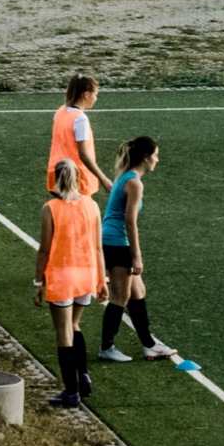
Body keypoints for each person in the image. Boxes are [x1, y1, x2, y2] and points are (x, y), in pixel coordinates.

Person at [94, 136, 182, 364]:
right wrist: (137, 256)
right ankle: (106, 347)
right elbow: (130, 221)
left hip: (111, 239)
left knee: (138, 292)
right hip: (117, 243)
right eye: (155, 155)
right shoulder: (134, 183)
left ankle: (149, 345)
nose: (157, 160)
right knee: (119, 297)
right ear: (145, 157)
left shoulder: (126, 176)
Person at [32, 157, 105, 408]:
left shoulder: (50, 208)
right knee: (75, 325)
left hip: (62, 276)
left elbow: (45, 249)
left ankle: (71, 391)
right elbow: (97, 247)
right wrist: (101, 280)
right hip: (86, 274)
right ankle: (83, 375)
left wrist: (38, 281)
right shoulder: (92, 206)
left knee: (63, 333)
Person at [49, 72, 103, 198]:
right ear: (86, 94)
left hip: (57, 173)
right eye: (95, 94)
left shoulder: (60, 112)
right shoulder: (80, 119)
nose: (96, 98)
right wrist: (103, 178)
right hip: (76, 178)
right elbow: (83, 154)